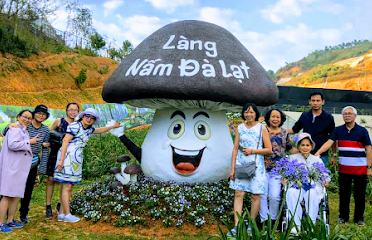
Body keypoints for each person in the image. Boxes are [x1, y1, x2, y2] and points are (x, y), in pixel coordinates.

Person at [54, 108, 121, 223]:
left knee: (67, 186)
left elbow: (99, 130)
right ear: (82, 116)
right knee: (67, 186)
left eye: (92, 118)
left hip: (76, 159)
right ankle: (67, 214)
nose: (89, 119)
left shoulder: (88, 129)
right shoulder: (75, 126)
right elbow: (65, 141)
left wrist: (112, 126)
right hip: (68, 158)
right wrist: (61, 161)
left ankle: (62, 213)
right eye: (87, 116)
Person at [315, 106, 371, 226]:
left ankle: (359, 218)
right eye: (345, 113)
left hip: (360, 170)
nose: (347, 115)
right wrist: (318, 153)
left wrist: (369, 167)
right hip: (344, 169)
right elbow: (330, 142)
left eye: (350, 113)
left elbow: (369, 149)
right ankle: (343, 216)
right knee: (344, 194)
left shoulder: (362, 131)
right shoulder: (338, 130)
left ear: (355, 116)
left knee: (359, 195)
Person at [228, 103, 272, 236]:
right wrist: (232, 169)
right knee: (238, 194)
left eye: (252, 112)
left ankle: (251, 225)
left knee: (255, 195)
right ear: (243, 114)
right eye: (246, 112)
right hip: (241, 162)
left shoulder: (261, 128)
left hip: (256, 164)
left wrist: (253, 150)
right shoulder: (239, 128)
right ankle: (237, 225)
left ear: (256, 114)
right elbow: (235, 148)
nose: (249, 114)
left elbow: (269, 149)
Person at [4, 104, 50, 223]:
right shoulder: (26, 125)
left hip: (33, 162)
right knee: (10, 190)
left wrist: (43, 167)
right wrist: (9, 126)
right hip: (18, 162)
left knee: (27, 190)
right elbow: (7, 133)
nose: (41, 115)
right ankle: (7, 215)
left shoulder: (45, 130)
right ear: (34, 114)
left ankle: (23, 214)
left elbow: (45, 149)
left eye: (43, 114)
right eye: (38, 113)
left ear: (46, 117)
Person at [0, 110, 39, 233]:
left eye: (29, 118)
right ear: (19, 117)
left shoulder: (23, 130)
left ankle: (11, 220)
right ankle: (1, 223)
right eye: (25, 117)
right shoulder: (15, 129)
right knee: (7, 195)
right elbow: (12, 144)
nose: (27, 120)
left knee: (16, 195)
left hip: (19, 169)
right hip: (12, 168)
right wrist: (29, 142)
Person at [260, 109, 298, 227]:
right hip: (262, 167)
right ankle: (263, 220)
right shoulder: (262, 130)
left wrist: (304, 153)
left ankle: (273, 220)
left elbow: (290, 148)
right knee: (261, 194)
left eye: (278, 117)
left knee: (274, 196)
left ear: (281, 119)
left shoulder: (284, 133)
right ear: (268, 118)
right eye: (273, 117)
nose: (275, 119)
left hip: (278, 170)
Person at [286, 133, 330, 234]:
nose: (305, 148)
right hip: (296, 185)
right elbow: (286, 173)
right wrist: (285, 178)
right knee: (292, 193)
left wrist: (326, 180)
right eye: (302, 145)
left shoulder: (317, 160)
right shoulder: (292, 158)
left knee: (312, 195)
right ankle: (295, 225)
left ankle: (311, 225)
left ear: (311, 146)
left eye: (307, 145)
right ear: (298, 146)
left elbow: (324, 174)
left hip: (312, 186)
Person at [45, 102, 80, 220]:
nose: (72, 112)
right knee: (50, 179)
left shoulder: (78, 124)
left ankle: (60, 205)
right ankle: (48, 206)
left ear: (78, 112)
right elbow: (49, 133)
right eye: (70, 110)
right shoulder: (59, 121)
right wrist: (48, 144)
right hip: (56, 153)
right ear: (66, 110)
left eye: (75, 110)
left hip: (69, 157)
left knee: (65, 182)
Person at [287, 92, 336, 167]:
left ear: (323, 102)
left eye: (318, 100)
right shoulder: (304, 116)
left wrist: (334, 154)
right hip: (304, 154)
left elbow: (332, 138)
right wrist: (279, 131)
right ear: (309, 102)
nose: (315, 103)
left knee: (320, 177)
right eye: (313, 101)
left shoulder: (328, 118)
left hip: (322, 155)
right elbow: (294, 130)